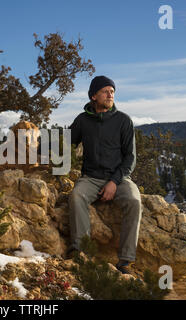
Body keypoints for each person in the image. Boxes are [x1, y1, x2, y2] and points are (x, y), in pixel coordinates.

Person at [68, 75, 142, 275]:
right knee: (76, 196)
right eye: (105, 91)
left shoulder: (123, 120)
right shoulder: (83, 120)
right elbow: (66, 144)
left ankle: (125, 260)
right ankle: (80, 251)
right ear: (94, 96)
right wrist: (37, 146)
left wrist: (113, 182)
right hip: (90, 177)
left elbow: (130, 158)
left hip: (119, 177)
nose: (110, 95)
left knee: (134, 201)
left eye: (112, 92)